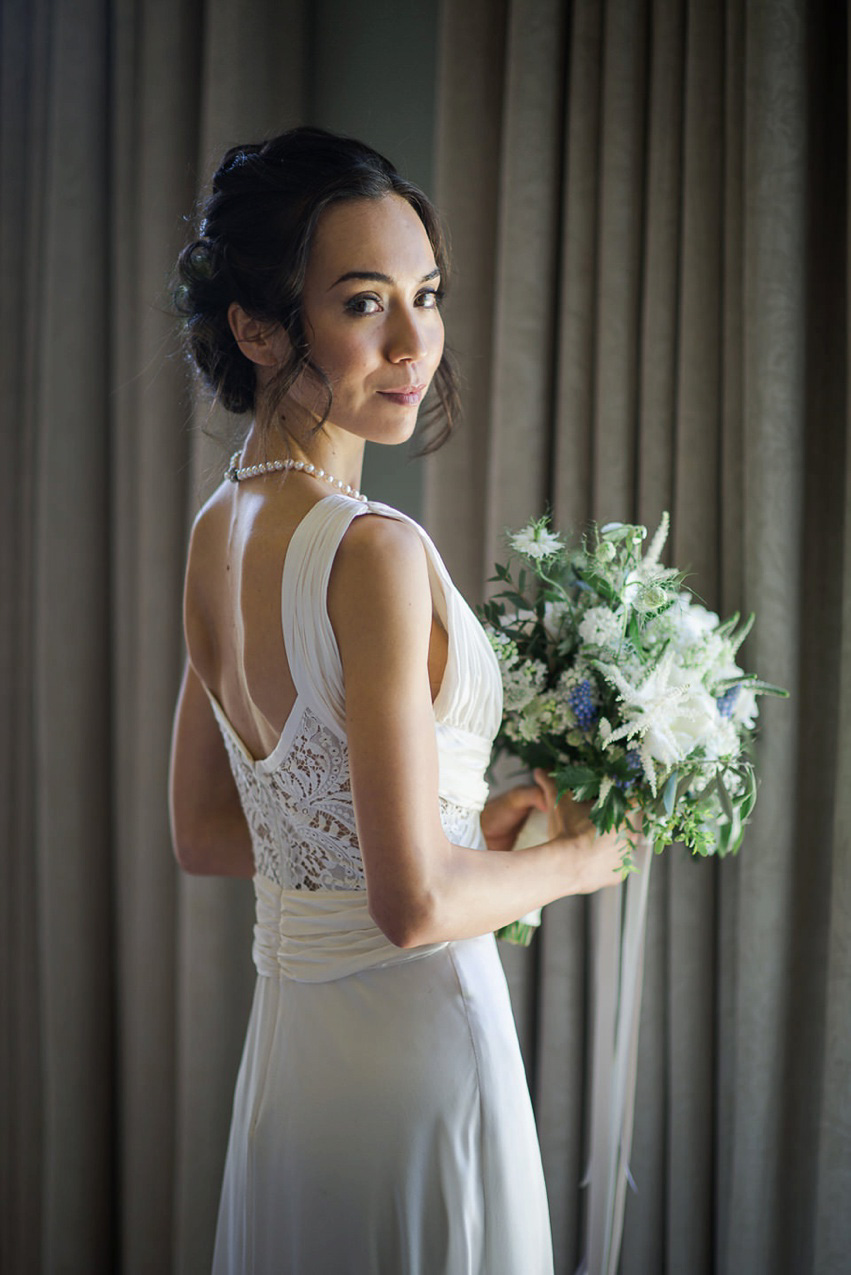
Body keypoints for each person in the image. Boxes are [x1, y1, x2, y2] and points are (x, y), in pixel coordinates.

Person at [168, 125, 624, 1275]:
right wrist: (585, 859)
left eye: (426, 294)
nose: (415, 343)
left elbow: (214, 833)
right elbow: (411, 906)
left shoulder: (216, 530)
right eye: (365, 303)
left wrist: (469, 832)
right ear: (258, 326)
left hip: (295, 1068)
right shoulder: (369, 549)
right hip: (421, 1056)